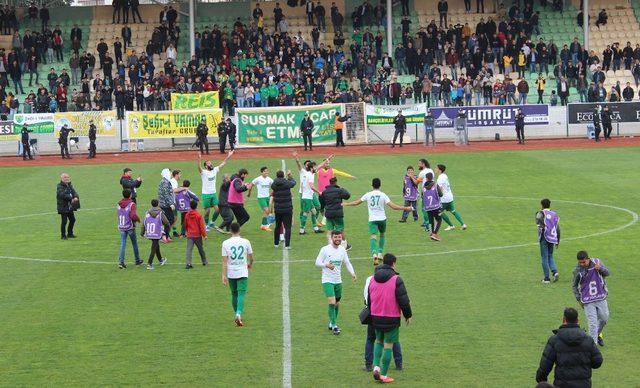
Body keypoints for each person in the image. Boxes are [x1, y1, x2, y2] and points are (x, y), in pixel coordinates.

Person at [344, 178, 412, 265]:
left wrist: (346, 204)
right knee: (382, 235)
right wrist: (406, 208)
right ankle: (380, 254)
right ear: (380, 185)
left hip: (372, 219)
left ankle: (374, 254)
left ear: (372, 185)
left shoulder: (368, 194)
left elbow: (356, 202)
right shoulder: (383, 195)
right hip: (382, 219)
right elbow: (394, 207)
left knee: (373, 237)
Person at [367, 253, 412, 384]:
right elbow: (403, 300)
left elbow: (370, 298)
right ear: (393, 263)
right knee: (388, 345)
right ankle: (384, 375)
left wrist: (371, 313)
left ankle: (376, 367)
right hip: (391, 317)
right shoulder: (396, 279)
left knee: (378, 342)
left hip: (375, 316)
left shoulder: (372, 279)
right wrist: (408, 315)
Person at [535, 307, 603, 386]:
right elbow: (597, 362)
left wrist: (541, 379)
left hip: (562, 384)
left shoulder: (555, 340)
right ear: (577, 321)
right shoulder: (588, 340)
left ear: (564, 320)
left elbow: (545, 365)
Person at [315, 230, 356, 335]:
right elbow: (317, 262)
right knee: (332, 302)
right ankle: (334, 326)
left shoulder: (342, 250)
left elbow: (347, 262)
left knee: (337, 303)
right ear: (332, 238)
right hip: (327, 280)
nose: (338, 239)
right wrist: (326, 265)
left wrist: (352, 273)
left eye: (339, 237)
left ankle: (331, 322)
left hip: (338, 280)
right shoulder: (325, 249)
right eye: (336, 237)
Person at [363, 266, 403, 372]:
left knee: (372, 339)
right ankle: (398, 363)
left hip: (373, 314)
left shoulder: (370, 280)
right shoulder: (391, 279)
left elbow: (366, 297)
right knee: (392, 340)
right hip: (389, 315)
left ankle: (369, 364)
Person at [572, 251, 610, 346]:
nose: (582, 264)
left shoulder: (597, 262)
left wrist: (600, 268)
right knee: (592, 323)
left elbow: (607, 273)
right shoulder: (577, 270)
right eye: (580, 262)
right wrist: (578, 298)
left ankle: (597, 334)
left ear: (588, 259)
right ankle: (593, 347)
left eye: (583, 262)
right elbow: (574, 285)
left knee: (604, 318)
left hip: (601, 297)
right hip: (587, 300)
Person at [221, 222, 254, 327]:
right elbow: (251, 257)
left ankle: (237, 314)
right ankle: (238, 314)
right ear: (239, 230)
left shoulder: (225, 243)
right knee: (241, 294)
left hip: (231, 272)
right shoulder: (245, 242)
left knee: (234, 294)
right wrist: (250, 264)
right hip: (242, 271)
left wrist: (223, 275)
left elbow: (224, 262)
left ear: (230, 231)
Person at [198, 151, 233, 230]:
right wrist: (199, 159)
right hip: (206, 194)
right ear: (206, 166)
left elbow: (223, 163)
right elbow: (199, 168)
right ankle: (206, 225)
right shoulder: (204, 172)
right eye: (209, 163)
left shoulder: (215, 170)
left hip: (213, 194)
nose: (211, 164)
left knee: (217, 210)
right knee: (207, 211)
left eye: (211, 163)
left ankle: (212, 222)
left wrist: (228, 156)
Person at [321, 177, 351, 250]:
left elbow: (322, 202)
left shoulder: (325, 192)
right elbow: (348, 196)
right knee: (340, 230)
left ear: (329, 182)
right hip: (338, 213)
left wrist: (322, 211)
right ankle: (344, 246)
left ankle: (330, 247)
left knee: (329, 231)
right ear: (336, 182)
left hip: (328, 213)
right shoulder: (339, 190)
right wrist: (342, 188)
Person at [536, 198, 560, 283]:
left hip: (544, 237)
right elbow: (557, 228)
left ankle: (546, 278)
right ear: (550, 205)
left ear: (542, 205)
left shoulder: (541, 213)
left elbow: (538, 221)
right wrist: (558, 240)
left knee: (544, 257)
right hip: (552, 238)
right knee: (550, 255)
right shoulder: (554, 214)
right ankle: (555, 272)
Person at [436, 164, 467, 231]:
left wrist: (437, 197)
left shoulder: (440, 178)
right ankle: (463, 224)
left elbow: (440, 189)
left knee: (439, 212)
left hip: (444, 199)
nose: (435, 169)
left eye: (436, 168)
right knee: (453, 211)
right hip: (450, 197)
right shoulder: (445, 176)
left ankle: (451, 225)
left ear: (440, 170)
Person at [141, 198, 170, 270]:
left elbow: (144, 223)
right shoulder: (160, 212)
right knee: (153, 248)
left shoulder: (147, 212)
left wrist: (142, 232)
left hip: (150, 232)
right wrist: (167, 232)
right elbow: (166, 222)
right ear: (158, 204)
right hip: (157, 232)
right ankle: (149, 264)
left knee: (156, 245)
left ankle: (161, 260)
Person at [117, 189, 142, 269]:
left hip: (122, 226)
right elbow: (133, 215)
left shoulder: (118, 204)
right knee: (134, 243)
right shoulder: (132, 204)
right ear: (130, 195)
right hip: (130, 227)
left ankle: (121, 262)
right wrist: (138, 219)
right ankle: (137, 260)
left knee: (123, 244)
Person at [271, 169, 296, 248]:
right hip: (287, 208)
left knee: (277, 226)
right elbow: (294, 183)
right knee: (287, 227)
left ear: (277, 176)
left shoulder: (274, 184)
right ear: (283, 175)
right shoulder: (287, 183)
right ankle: (287, 245)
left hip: (278, 209)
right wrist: (290, 176)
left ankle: (276, 243)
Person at [248, 166, 274, 232]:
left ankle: (264, 225)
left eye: (267, 171)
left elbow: (274, 186)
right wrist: (249, 193)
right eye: (265, 171)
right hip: (261, 198)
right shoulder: (258, 179)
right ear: (261, 172)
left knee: (267, 212)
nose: (266, 172)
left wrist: (272, 193)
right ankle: (265, 225)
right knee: (267, 211)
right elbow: (251, 185)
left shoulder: (269, 179)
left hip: (267, 197)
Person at [184, 200, 207, 269]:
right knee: (201, 249)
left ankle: (188, 263)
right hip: (197, 235)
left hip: (190, 235)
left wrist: (186, 232)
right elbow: (201, 226)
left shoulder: (187, 215)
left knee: (189, 250)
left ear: (190, 206)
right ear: (196, 206)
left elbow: (185, 224)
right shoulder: (198, 215)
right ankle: (204, 261)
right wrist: (204, 235)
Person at [56, 173, 79, 240]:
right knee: (64, 221)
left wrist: (75, 197)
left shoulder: (69, 185)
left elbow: (74, 192)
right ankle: (63, 236)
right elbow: (62, 195)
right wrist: (71, 198)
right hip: (63, 207)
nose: (67, 178)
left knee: (72, 220)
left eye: (67, 177)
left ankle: (70, 233)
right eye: (65, 177)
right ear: (61, 178)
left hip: (69, 207)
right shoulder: (59, 186)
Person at [422, 172, 443, 241]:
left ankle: (431, 234)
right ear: (432, 177)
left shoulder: (424, 187)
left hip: (428, 207)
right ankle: (434, 234)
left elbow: (423, 196)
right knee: (439, 220)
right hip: (436, 206)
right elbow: (440, 194)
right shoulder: (435, 185)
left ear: (427, 178)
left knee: (431, 221)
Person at [157, 168, 176, 241]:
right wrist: (170, 203)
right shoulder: (165, 182)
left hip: (164, 204)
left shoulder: (165, 181)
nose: (171, 174)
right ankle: (164, 235)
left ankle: (166, 235)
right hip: (165, 205)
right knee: (170, 219)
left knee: (168, 220)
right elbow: (166, 194)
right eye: (170, 173)